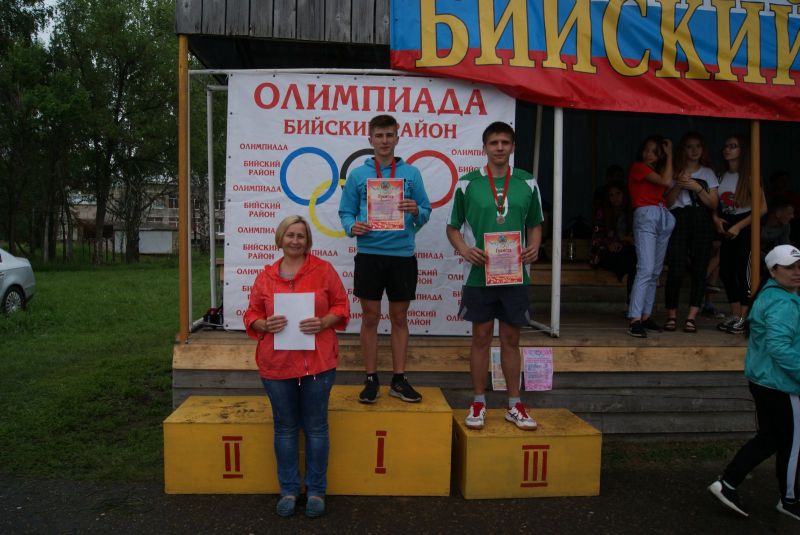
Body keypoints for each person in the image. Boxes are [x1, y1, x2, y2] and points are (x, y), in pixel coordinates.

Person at [243, 215, 349, 518]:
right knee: (285, 428)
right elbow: (251, 314)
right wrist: (264, 324)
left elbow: (341, 306)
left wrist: (324, 321)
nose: (295, 240)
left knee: (316, 428)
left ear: (308, 241)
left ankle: (316, 491)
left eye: (301, 236)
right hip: (277, 366)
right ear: (280, 238)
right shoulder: (265, 276)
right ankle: (289, 490)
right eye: (290, 235)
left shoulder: (324, 271)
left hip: (318, 364)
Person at [446, 121, 543, 431]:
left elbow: (535, 224)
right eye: (493, 143)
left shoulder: (527, 182)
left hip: (515, 275)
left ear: (513, 147)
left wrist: (535, 246)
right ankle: (478, 401)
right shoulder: (467, 184)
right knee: (481, 338)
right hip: (479, 275)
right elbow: (452, 227)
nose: (499, 147)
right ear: (484, 147)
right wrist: (465, 249)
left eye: (505, 142)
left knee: (511, 339)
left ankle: (514, 404)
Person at [338, 114, 432, 404]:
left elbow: (426, 210)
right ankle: (370, 379)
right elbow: (345, 212)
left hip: (402, 255)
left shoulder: (411, 173)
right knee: (370, 317)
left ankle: (399, 379)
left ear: (397, 138)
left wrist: (416, 211)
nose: (384, 141)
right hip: (369, 254)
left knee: (400, 317)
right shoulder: (358, 175)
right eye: (379, 135)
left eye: (389, 135)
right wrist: (351, 226)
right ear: (370, 139)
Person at [708, 244, 800, 521]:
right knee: (792, 443)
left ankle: (728, 483)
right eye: (789, 267)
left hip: (766, 381)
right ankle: (790, 500)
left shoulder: (773, 294)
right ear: (773, 270)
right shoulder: (782, 302)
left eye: (799, 266)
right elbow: (780, 348)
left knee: (771, 438)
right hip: (782, 385)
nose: (796, 272)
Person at [663, 132, 719, 333]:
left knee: (700, 269)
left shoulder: (708, 173)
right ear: (683, 149)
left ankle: (691, 317)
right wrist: (679, 185)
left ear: (703, 149)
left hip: (701, 220)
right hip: (679, 218)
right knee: (676, 268)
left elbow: (714, 204)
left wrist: (697, 188)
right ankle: (671, 315)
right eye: (689, 146)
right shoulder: (674, 172)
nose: (694, 150)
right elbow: (667, 203)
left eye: (698, 146)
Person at [713, 134, 768, 335]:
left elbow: (762, 208)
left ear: (742, 151)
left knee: (744, 273)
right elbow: (714, 204)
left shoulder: (750, 176)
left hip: (746, 227)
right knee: (726, 271)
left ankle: (746, 318)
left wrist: (739, 226)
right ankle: (736, 315)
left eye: (733, 146)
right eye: (726, 146)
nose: (727, 149)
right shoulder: (720, 176)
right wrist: (716, 219)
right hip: (727, 225)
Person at [626, 135, 676, 337]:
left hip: (662, 213)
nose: (648, 154)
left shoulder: (657, 171)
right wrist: (670, 154)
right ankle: (634, 318)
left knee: (655, 271)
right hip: (646, 213)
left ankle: (645, 315)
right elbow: (666, 181)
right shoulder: (638, 167)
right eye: (646, 150)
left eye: (654, 152)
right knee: (646, 268)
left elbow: (668, 192)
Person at [590, 180, 636, 303]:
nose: (615, 198)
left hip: (627, 252)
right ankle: (633, 304)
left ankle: (633, 304)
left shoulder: (631, 213)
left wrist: (626, 240)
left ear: (624, 194)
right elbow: (596, 238)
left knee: (634, 260)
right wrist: (609, 244)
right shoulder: (603, 213)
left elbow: (637, 238)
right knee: (630, 263)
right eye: (611, 195)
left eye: (618, 193)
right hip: (607, 253)